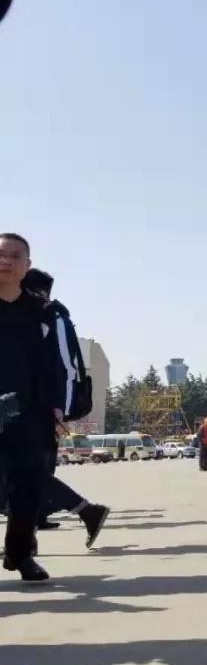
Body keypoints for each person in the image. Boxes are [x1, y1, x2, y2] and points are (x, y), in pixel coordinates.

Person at [20, 268, 110, 545]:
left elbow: (63, 367)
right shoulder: (33, 313)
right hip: (28, 404)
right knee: (25, 473)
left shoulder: (48, 315)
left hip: (35, 406)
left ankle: (27, 539)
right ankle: (29, 538)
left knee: (24, 472)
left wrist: (60, 410)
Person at [0, 232, 63, 581]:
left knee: (27, 487)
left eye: (14, 256)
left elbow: (55, 363)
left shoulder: (40, 312)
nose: (5, 261)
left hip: (30, 412)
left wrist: (57, 407)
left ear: (27, 265)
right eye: (0, 255)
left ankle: (20, 554)